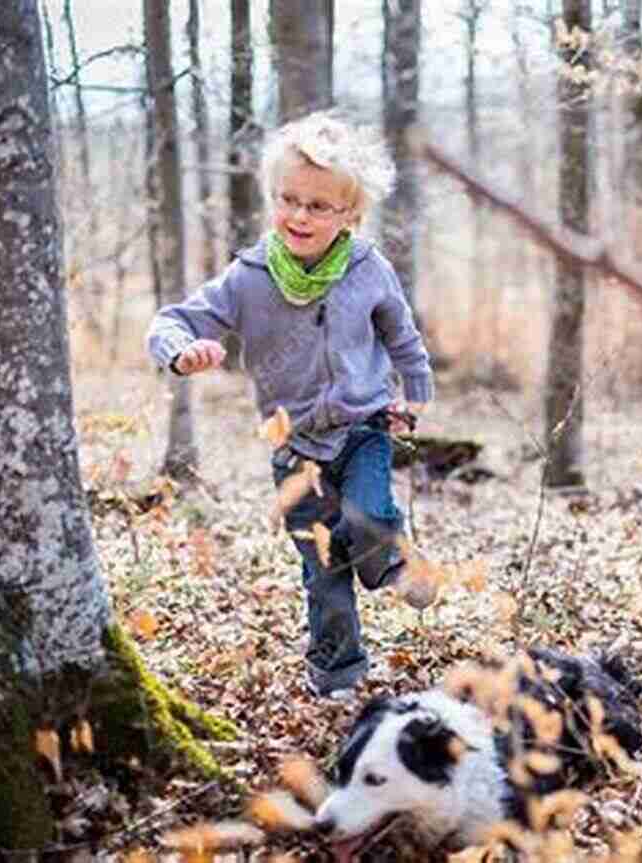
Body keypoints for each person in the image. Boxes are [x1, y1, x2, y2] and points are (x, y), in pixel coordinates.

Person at [146, 113, 434, 700]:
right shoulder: (249, 278)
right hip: (293, 447)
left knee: (366, 512)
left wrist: (416, 391)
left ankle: (391, 564)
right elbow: (173, 320)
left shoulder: (368, 269)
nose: (300, 216)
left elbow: (402, 336)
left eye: (319, 207)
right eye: (289, 200)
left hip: (362, 427)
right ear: (273, 199)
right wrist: (182, 351)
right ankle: (338, 674)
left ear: (349, 215)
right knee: (322, 570)